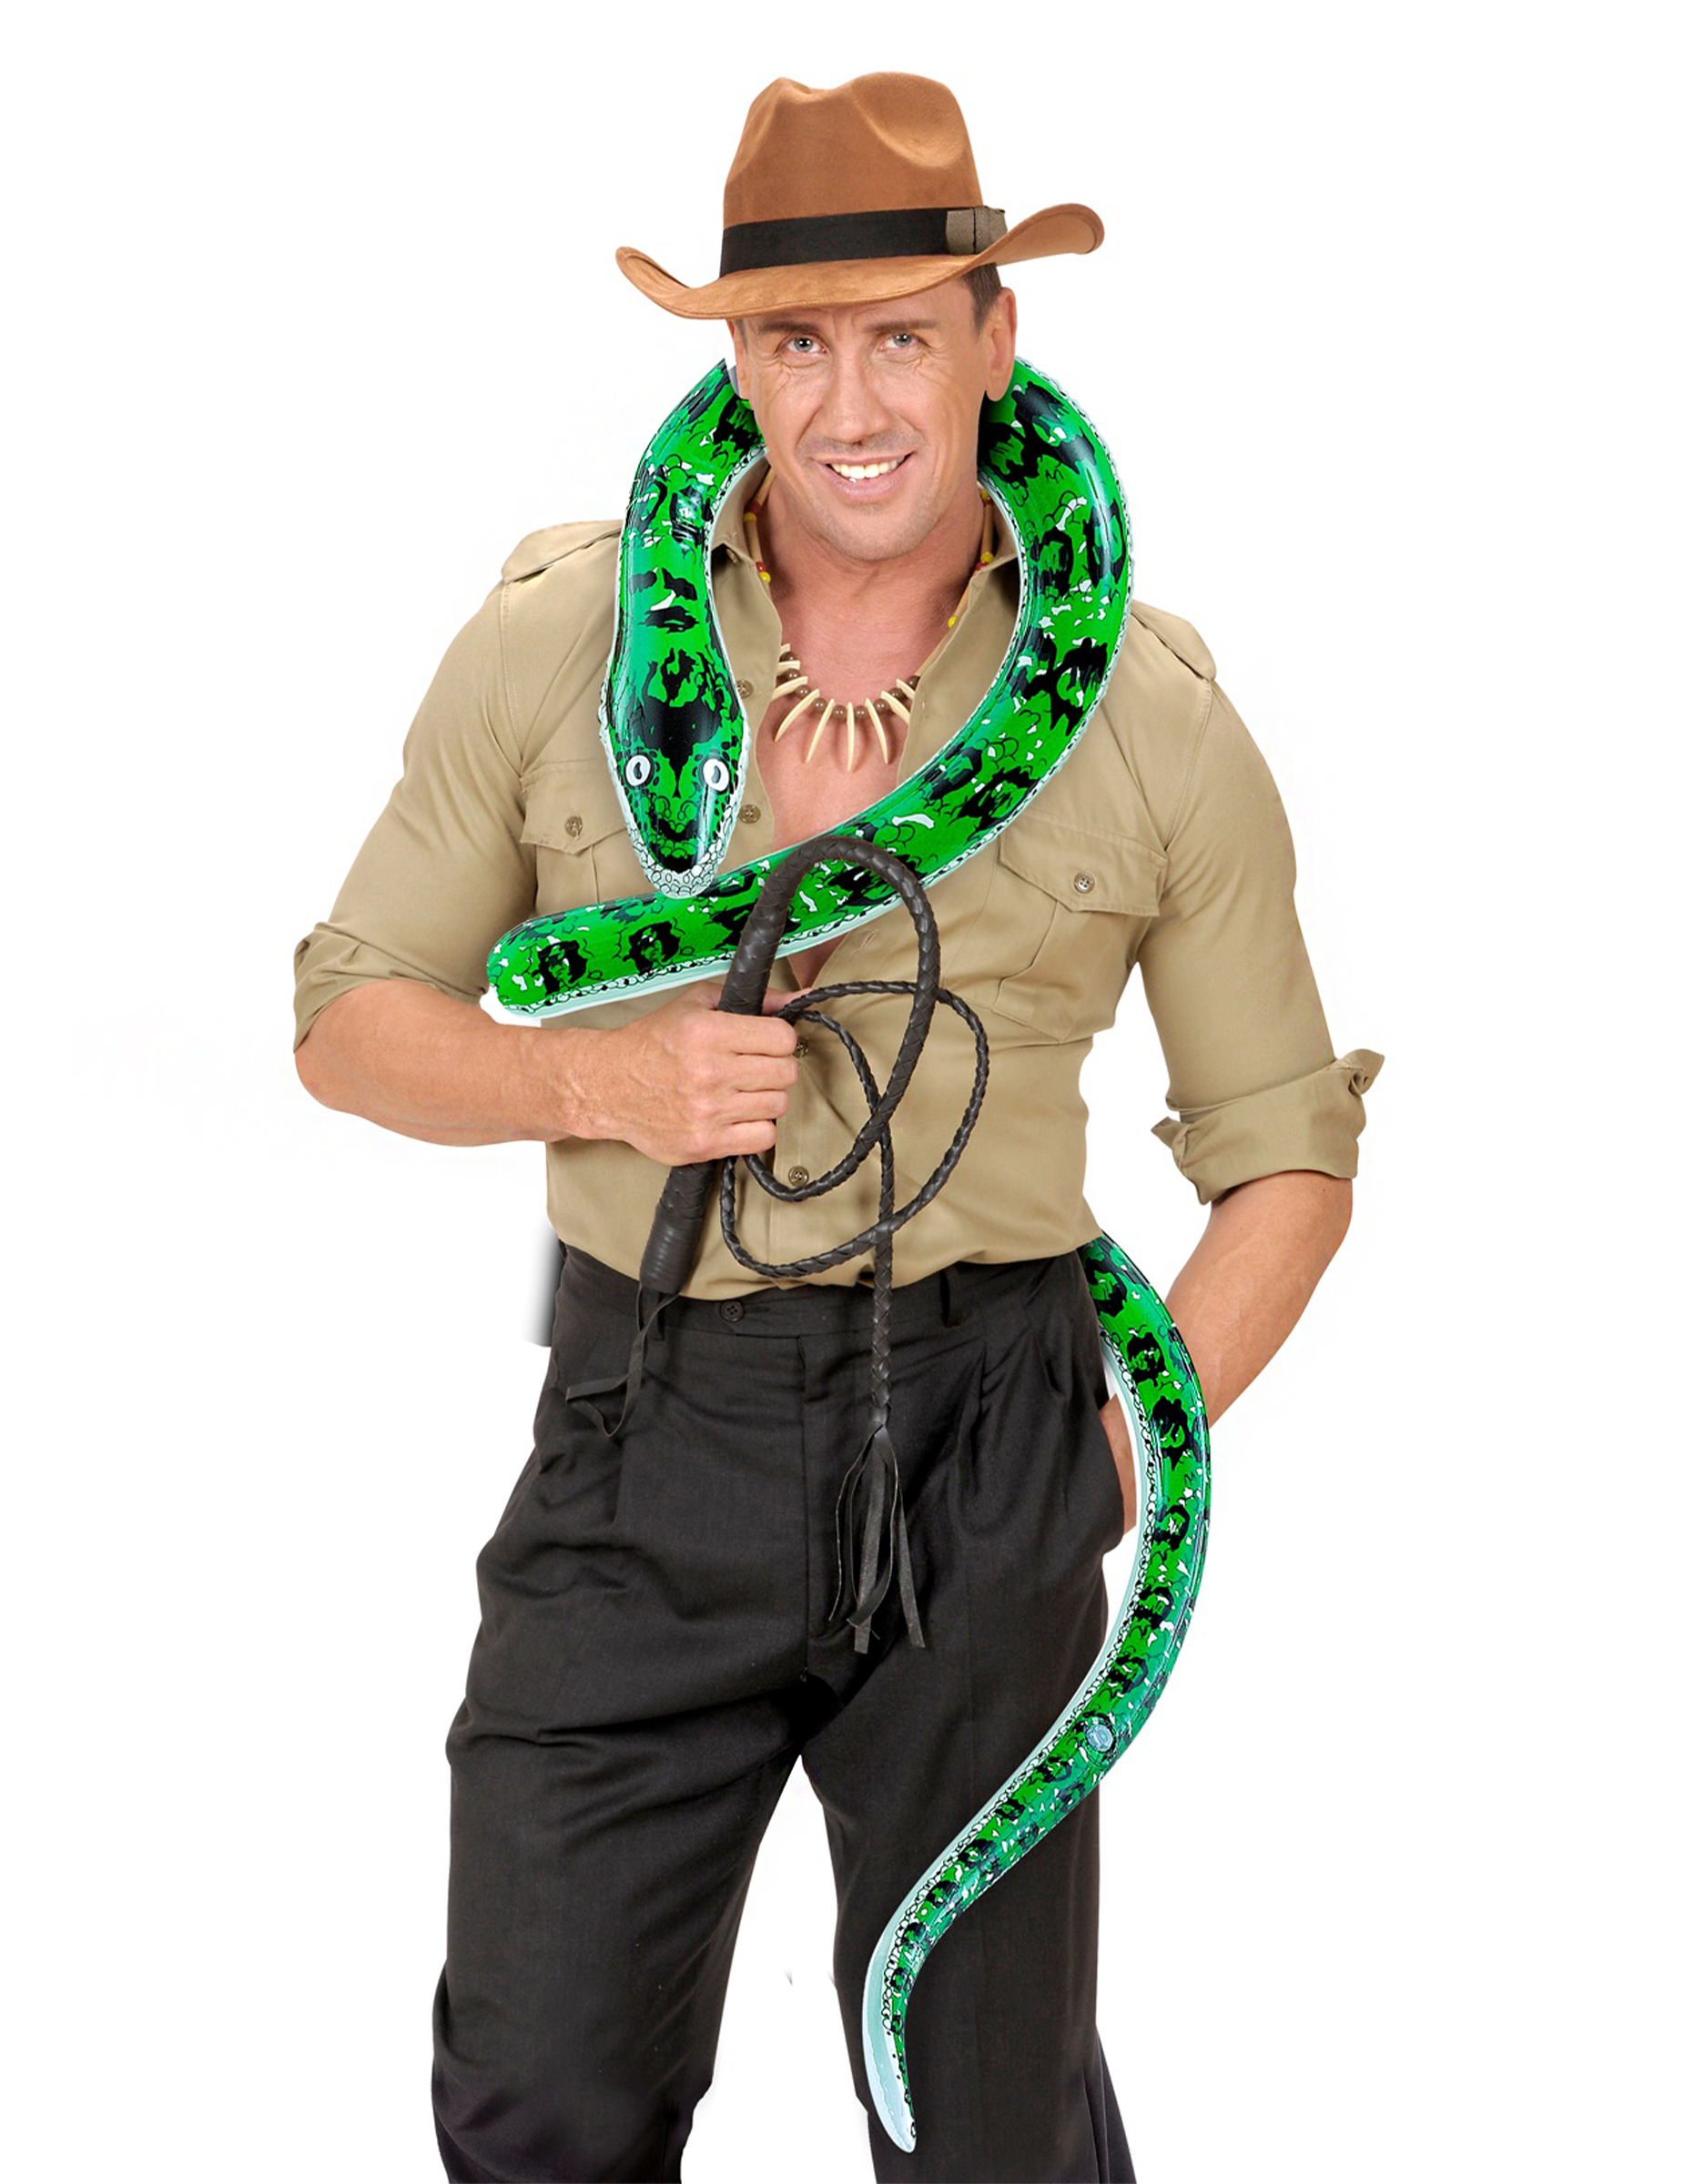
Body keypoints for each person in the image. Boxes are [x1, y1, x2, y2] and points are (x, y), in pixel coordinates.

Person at [292, 70, 1384, 2184]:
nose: (852, 401)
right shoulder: (560, 643)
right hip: (642, 1430)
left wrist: (1100, 1458)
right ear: (739, 362)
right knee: (539, 2099)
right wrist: (597, 1078)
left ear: (994, 338)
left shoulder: (1150, 717)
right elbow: (349, 1019)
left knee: (985, 2133)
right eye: (797, 341)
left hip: (994, 1424)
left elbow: (1287, 1153)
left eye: (903, 334)